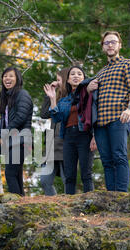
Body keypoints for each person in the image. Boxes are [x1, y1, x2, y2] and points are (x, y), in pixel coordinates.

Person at [87, 31, 130, 192]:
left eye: (113, 42)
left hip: (119, 118)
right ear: (103, 47)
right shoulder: (100, 72)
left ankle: (121, 195)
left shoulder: (128, 64)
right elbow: (92, 101)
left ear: (120, 45)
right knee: (106, 160)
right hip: (100, 123)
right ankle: (111, 195)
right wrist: (89, 89)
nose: (110, 45)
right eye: (106, 43)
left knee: (119, 156)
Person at [46, 65, 95, 194]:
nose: (76, 76)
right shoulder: (64, 101)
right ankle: (71, 206)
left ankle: (90, 205)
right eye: (72, 74)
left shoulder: (89, 95)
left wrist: (95, 136)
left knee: (86, 174)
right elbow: (57, 118)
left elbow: (95, 116)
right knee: (69, 176)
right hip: (68, 137)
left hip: (85, 136)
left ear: (84, 78)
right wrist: (52, 99)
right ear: (67, 80)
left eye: (79, 74)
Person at [0, 67, 33, 196]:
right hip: (11, 142)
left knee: (10, 173)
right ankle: (22, 203)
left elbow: (20, 117)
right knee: (17, 175)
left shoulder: (22, 94)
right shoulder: (7, 97)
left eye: (11, 76)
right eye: (5, 76)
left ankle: (16, 203)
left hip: (21, 141)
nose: (7, 79)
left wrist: (3, 133)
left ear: (17, 78)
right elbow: (4, 121)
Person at [39, 68, 69, 195]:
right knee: (45, 180)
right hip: (52, 146)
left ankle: (71, 207)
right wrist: (50, 94)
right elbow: (44, 114)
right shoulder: (56, 98)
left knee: (67, 180)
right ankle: (54, 204)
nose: (56, 82)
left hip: (65, 145)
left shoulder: (73, 98)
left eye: (58, 80)